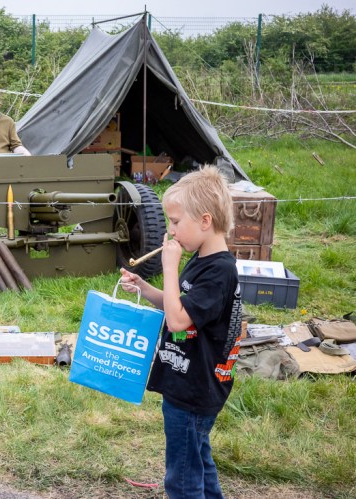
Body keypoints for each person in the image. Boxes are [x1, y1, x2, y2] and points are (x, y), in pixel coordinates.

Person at [119, 166, 242, 499]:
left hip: (194, 391)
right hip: (184, 382)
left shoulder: (219, 272)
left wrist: (169, 266)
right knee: (197, 460)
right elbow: (177, 305)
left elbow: (177, 321)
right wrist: (144, 288)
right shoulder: (201, 258)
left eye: (175, 222)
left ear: (204, 221)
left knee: (182, 479)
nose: (170, 231)